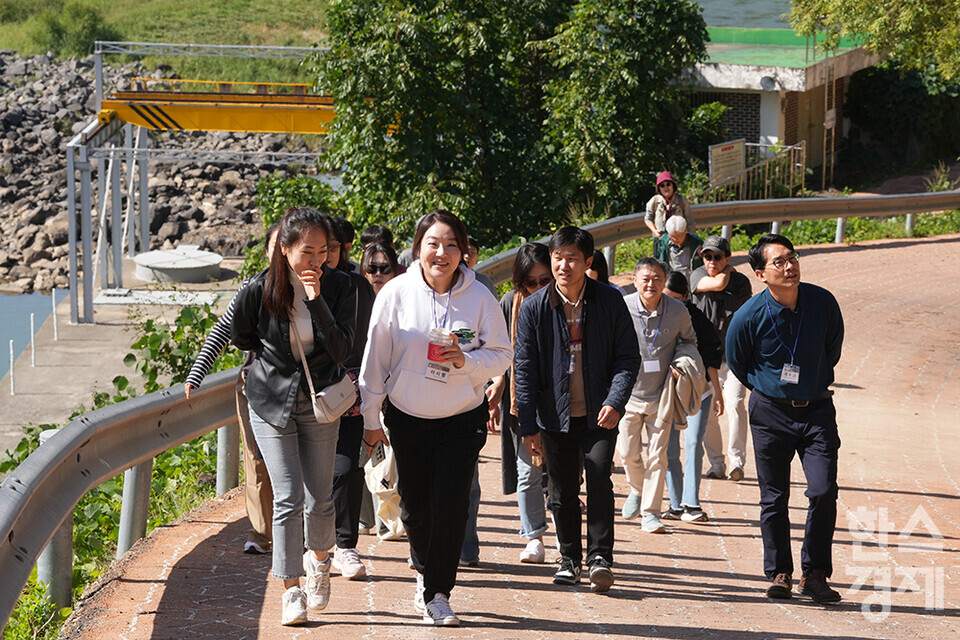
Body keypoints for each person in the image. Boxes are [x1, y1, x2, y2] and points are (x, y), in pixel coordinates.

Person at [359, 210, 512, 626]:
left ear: (462, 251)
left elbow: (503, 353)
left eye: (450, 244)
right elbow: (375, 360)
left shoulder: (479, 297)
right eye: (432, 244)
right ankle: (425, 570)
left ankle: (438, 593)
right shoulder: (395, 293)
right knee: (416, 510)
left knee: (452, 505)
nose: (441, 253)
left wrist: (466, 360)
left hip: (462, 418)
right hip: (408, 416)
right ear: (417, 249)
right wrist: (371, 416)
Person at [231, 207, 357, 626]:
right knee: (289, 496)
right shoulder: (260, 288)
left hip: (320, 400)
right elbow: (242, 336)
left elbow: (341, 350)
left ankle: (320, 561)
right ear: (284, 249)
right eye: (307, 252)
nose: (317, 261)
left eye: (324, 252)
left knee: (320, 496)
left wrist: (317, 299)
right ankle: (291, 589)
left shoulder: (340, 287)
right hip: (270, 400)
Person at [514, 226, 640, 593]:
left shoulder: (610, 300)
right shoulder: (535, 307)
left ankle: (600, 557)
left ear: (588, 262)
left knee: (599, 476)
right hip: (554, 415)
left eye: (572, 258)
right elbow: (524, 368)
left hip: (601, 413)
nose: (563, 265)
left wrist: (616, 401)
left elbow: (627, 357)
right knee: (563, 489)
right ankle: (569, 558)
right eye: (557, 257)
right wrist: (528, 424)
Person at [726, 233, 844, 603]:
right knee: (774, 498)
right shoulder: (749, 315)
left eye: (792, 257)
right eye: (778, 262)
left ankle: (815, 574)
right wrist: (770, 388)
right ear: (760, 273)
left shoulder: (822, 302)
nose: (789, 266)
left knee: (823, 491)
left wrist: (808, 383)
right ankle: (780, 572)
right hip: (770, 413)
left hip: (817, 410)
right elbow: (737, 361)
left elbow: (833, 348)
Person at [184, 222, 280, 556]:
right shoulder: (252, 288)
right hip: (254, 384)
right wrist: (197, 373)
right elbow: (223, 329)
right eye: (276, 245)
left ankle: (301, 531)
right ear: (268, 250)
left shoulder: (316, 288)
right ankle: (261, 532)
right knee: (256, 459)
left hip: (297, 389)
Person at [617, 258, 701, 534]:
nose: (651, 284)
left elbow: (689, 341)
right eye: (645, 278)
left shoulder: (677, 310)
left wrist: (682, 363)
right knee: (628, 453)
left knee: (658, 457)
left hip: (662, 395)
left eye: (656, 278)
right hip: (627, 395)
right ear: (635, 280)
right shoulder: (622, 307)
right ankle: (637, 490)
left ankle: (650, 512)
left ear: (665, 281)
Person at [485, 242, 553, 564]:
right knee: (528, 471)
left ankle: (568, 541)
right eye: (531, 283)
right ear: (519, 282)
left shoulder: (565, 302)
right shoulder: (510, 304)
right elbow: (499, 351)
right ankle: (534, 537)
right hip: (522, 400)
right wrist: (498, 384)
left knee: (562, 473)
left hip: (561, 399)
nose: (539, 288)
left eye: (545, 280)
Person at [327, 218, 377, 579]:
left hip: (351, 390)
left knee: (347, 468)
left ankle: (346, 546)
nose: (325, 254)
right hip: (307, 393)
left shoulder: (359, 286)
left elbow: (374, 339)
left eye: (333, 246)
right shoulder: (299, 284)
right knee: (310, 476)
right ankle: (308, 548)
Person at [690, 235, 753, 481]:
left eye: (718, 257)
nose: (712, 261)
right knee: (708, 412)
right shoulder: (696, 276)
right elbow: (715, 285)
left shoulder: (741, 283)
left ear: (727, 258)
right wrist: (726, 271)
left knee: (736, 405)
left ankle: (737, 462)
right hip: (705, 359)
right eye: (707, 256)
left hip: (734, 358)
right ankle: (717, 464)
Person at [662, 272, 723, 523]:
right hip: (669, 392)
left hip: (700, 390)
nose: (670, 304)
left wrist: (718, 392)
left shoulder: (696, 318)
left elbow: (711, 356)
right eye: (666, 298)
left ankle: (691, 503)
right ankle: (675, 504)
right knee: (669, 448)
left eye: (676, 299)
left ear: (685, 297)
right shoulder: (654, 318)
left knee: (694, 444)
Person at [644, 171, 695, 239]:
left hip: (679, 240)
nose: (666, 188)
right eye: (662, 185)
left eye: (668, 184)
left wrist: (693, 241)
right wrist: (655, 231)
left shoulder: (682, 200)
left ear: (673, 186)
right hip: (660, 240)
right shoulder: (654, 201)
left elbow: (690, 223)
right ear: (659, 188)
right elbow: (648, 219)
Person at [654, 216, 703, 284]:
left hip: (692, 281)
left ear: (685, 230)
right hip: (671, 282)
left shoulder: (696, 242)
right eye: (672, 236)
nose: (675, 239)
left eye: (679, 236)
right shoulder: (662, 242)